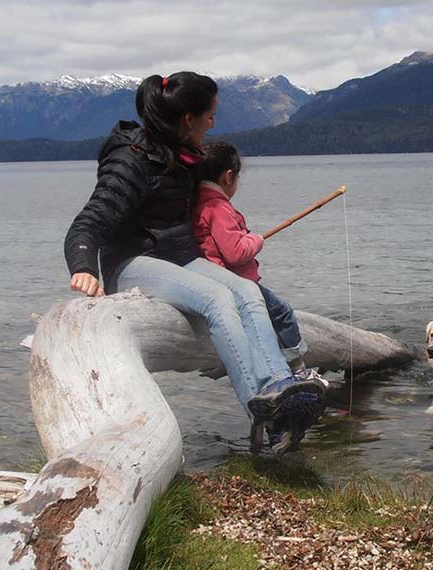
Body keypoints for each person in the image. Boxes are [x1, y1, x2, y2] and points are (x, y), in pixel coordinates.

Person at [63, 72, 325, 457]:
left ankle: (278, 387)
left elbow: (218, 180)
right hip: (134, 262)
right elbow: (89, 222)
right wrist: (83, 266)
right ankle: (263, 408)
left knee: (248, 293)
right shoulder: (131, 159)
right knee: (218, 300)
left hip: (180, 257)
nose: (213, 123)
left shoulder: (185, 154)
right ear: (188, 119)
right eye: (210, 115)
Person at [192, 141, 326, 451]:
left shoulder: (198, 203)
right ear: (228, 176)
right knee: (281, 311)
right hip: (237, 284)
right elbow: (235, 252)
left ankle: (266, 432)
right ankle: (299, 367)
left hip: (218, 284)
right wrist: (255, 240)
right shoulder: (218, 207)